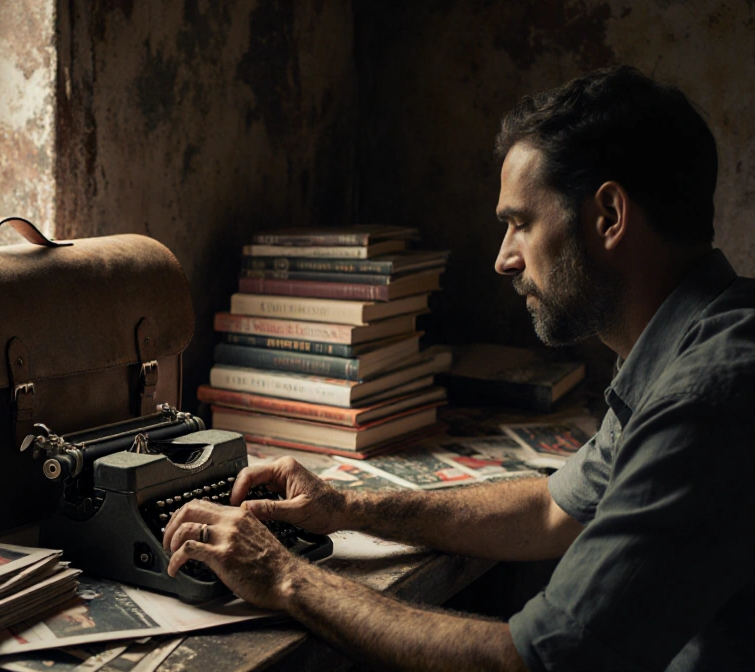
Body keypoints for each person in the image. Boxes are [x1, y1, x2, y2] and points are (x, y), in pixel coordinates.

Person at [162, 65, 754, 671]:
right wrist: (347, 507)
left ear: (608, 215)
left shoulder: (708, 399)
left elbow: (539, 661)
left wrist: (283, 577)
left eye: (521, 223)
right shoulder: (691, 346)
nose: (503, 259)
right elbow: (553, 509)